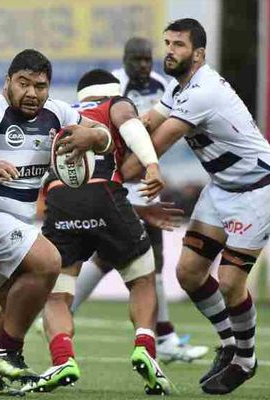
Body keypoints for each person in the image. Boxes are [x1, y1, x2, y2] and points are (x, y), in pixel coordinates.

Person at [0, 49, 113, 395]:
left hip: (13, 224)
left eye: (40, 86)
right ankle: (7, 353)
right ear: (8, 83)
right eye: (23, 84)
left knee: (17, 306)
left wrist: (95, 137)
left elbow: (103, 138)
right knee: (49, 261)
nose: (32, 93)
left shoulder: (59, 114)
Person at [122, 18, 270, 395]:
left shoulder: (202, 92)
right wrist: (106, 132)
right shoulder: (178, 87)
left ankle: (246, 360)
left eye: (179, 45)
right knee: (189, 273)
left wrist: (107, 173)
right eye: (167, 42)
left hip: (256, 190)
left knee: (231, 282)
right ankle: (228, 343)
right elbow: (143, 122)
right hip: (222, 187)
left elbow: (153, 147)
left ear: (198, 54)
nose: (169, 50)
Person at [28, 69, 170, 395]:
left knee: (57, 293)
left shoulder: (62, 117)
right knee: (143, 277)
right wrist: (151, 164)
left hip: (60, 200)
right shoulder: (115, 105)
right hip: (105, 194)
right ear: (114, 91)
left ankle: (62, 357)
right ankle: (145, 348)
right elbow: (130, 125)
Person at [72, 37, 209, 364]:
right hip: (118, 178)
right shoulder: (112, 85)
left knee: (110, 257)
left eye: (148, 59)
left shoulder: (164, 84)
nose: (144, 65)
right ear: (126, 59)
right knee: (147, 258)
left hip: (145, 178)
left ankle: (58, 310)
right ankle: (164, 337)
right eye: (138, 60)